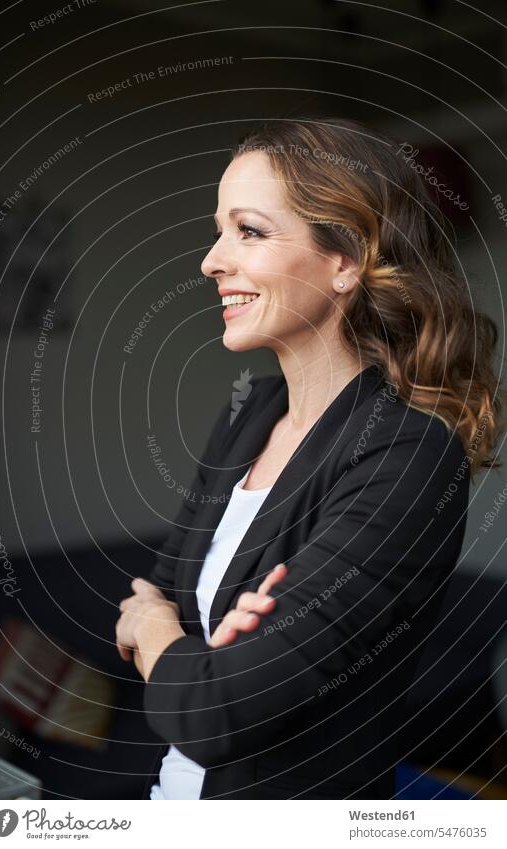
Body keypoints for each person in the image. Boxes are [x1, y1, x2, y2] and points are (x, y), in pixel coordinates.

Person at [115, 116, 505, 799]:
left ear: (346, 259)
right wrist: (186, 644)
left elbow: (210, 709)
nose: (211, 260)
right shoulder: (249, 412)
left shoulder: (409, 453)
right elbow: (152, 594)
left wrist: (163, 634)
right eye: (218, 230)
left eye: (249, 230)